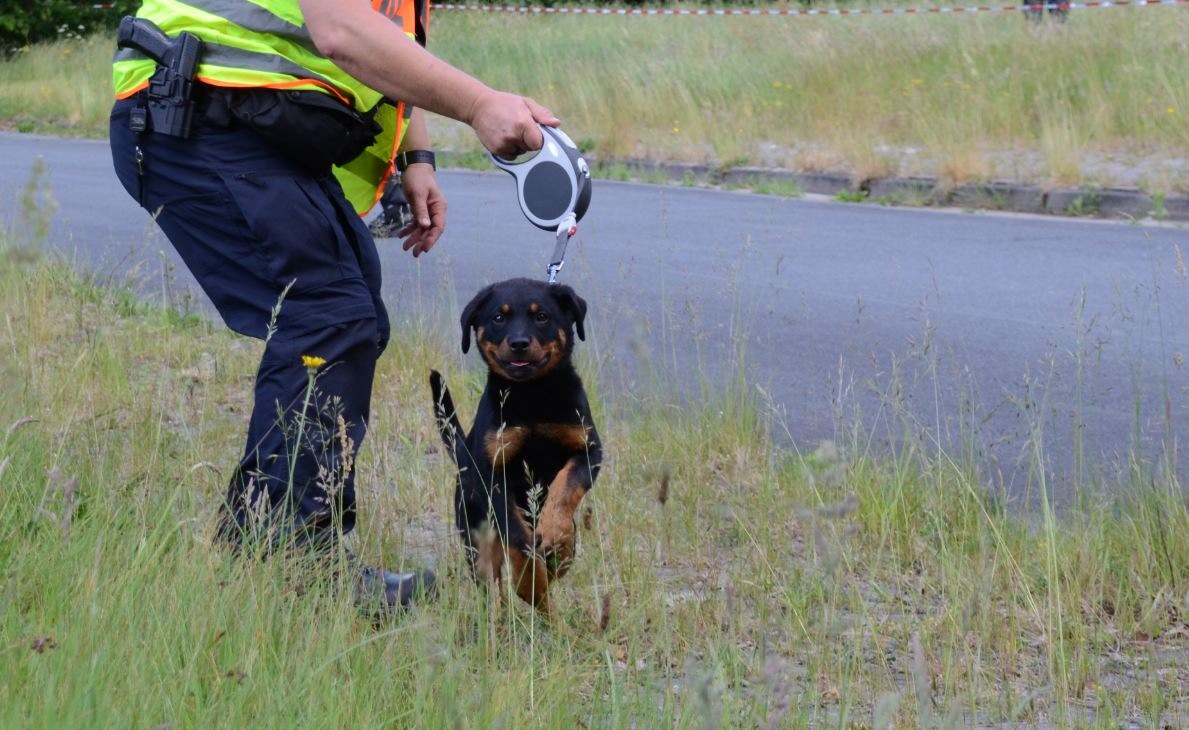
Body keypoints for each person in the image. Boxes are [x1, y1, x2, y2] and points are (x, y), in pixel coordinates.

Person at [108, 0, 560, 613]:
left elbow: (391, 43)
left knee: (353, 316)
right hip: (195, 107)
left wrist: (415, 157)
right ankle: (295, 566)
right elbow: (342, 29)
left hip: (243, 118)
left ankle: (259, 546)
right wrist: (480, 104)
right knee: (327, 315)